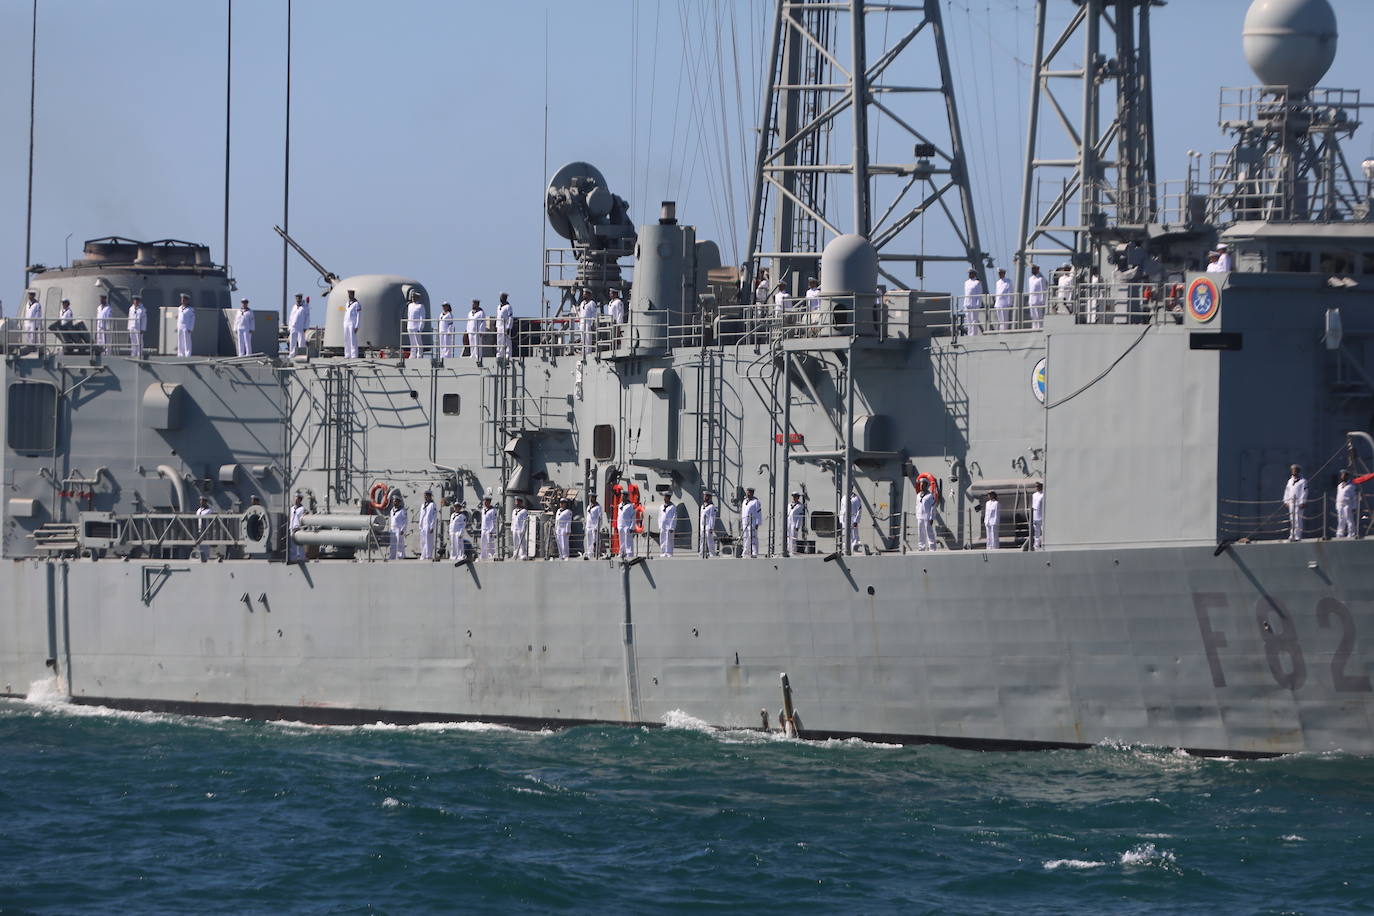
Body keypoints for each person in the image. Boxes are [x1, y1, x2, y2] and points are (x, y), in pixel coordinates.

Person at [1284, 465, 1307, 542]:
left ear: (1298, 471)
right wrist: (1286, 501)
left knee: (1298, 519)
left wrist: (1303, 502)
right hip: (1291, 503)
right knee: (1292, 520)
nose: (1294, 471)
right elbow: (1287, 491)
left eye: (1295, 470)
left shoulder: (1303, 481)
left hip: (1298, 503)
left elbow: (1304, 492)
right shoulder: (1290, 481)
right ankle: (1292, 535)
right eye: (1293, 470)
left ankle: (1298, 536)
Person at [916, 477, 936, 552]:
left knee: (929, 534)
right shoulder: (918, 495)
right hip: (920, 518)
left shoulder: (930, 496)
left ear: (926, 485)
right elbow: (917, 506)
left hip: (927, 518)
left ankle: (932, 548)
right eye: (920, 484)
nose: (921, 485)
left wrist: (931, 518)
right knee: (921, 534)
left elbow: (933, 507)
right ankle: (921, 548)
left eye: (923, 484)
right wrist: (917, 515)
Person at [961, 269, 983, 336]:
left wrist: (978, 305)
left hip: (974, 304)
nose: (969, 275)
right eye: (969, 273)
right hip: (967, 304)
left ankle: (974, 334)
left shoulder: (977, 282)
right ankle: (969, 333)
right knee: (968, 321)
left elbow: (979, 295)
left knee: (974, 321)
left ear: (974, 274)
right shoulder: (966, 282)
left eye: (971, 273)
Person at [1336, 470, 1357, 539]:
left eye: (1344, 475)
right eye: (1341, 475)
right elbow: (1338, 496)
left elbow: (1354, 497)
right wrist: (1337, 505)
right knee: (1341, 519)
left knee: (1349, 519)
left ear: (1347, 476)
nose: (1342, 476)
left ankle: (1351, 533)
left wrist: (1354, 507)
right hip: (1340, 504)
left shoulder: (1351, 486)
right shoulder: (1339, 486)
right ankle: (1340, 533)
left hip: (1348, 504)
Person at [741, 487, 762, 558]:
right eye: (747, 492)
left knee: (753, 537)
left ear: (752, 493)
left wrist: (757, 523)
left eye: (750, 492)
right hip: (745, 522)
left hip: (752, 522)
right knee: (745, 537)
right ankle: (746, 552)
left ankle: (755, 552)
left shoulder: (756, 502)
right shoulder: (744, 501)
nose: (748, 493)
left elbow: (758, 513)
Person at [578, 290, 599, 359]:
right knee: (582, 338)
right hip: (582, 322)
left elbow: (594, 313)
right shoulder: (582, 303)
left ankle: (588, 353)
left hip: (588, 322)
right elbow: (581, 313)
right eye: (583, 294)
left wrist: (593, 323)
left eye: (585, 294)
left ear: (589, 295)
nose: (584, 295)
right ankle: (583, 352)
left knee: (588, 339)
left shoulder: (592, 303)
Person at [418, 490, 438, 560]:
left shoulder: (433, 505)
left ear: (430, 496)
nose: (426, 497)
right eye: (425, 495)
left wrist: (432, 526)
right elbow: (421, 515)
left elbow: (434, 516)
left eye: (427, 495)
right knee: (422, 540)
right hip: (423, 525)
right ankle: (423, 555)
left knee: (428, 540)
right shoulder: (423, 505)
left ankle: (428, 555)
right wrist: (420, 525)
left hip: (428, 525)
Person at [466, 300, 486, 367]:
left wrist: (481, 331)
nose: (472, 305)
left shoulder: (481, 312)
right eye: (472, 303)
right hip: (471, 331)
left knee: (477, 344)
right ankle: (472, 355)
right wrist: (467, 330)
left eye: (474, 304)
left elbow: (483, 322)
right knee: (471, 344)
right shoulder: (470, 313)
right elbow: (468, 322)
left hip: (477, 331)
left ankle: (478, 355)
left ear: (477, 304)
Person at [1027, 264, 1047, 330]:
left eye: (1034, 269)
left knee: (1039, 316)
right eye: (1032, 269)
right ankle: (1034, 327)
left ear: (1038, 269)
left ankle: (1039, 327)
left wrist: (1042, 301)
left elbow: (1042, 290)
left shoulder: (1041, 279)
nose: (1033, 270)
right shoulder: (1030, 279)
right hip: (1031, 300)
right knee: (1033, 315)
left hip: (1038, 301)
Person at [388, 493, 408, 560]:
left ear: (399, 502)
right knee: (392, 544)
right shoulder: (391, 510)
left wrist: (403, 529)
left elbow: (405, 521)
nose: (394, 502)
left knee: (400, 544)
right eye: (394, 501)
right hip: (393, 530)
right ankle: (392, 556)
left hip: (399, 530)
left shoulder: (402, 511)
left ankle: (400, 556)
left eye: (396, 501)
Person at [343, 289, 362, 358]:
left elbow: (358, 315)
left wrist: (357, 325)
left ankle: (354, 354)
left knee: (353, 339)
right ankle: (347, 354)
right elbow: (346, 313)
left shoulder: (356, 304)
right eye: (348, 294)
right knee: (346, 339)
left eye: (350, 294)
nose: (349, 296)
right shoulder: (347, 303)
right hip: (346, 323)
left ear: (353, 295)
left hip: (352, 323)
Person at [195, 496, 215, 561]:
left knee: (205, 545)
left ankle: (206, 557)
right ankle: (199, 556)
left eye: (202, 501)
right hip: (199, 529)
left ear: (205, 502)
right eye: (200, 501)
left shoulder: (209, 511)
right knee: (199, 545)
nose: (201, 502)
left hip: (206, 530)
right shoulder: (199, 510)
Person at [288, 494, 306, 562]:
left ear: (300, 500)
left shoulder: (302, 509)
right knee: (292, 545)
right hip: (292, 528)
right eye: (295, 498)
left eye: (297, 498)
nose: (295, 500)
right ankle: (293, 558)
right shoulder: (291, 509)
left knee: (300, 544)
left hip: (298, 528)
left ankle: (302, 557)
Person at [658, 493, 677, 558]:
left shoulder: (672, 507)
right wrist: (660, 526)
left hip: (669, 527)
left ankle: (669, 553)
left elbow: (674, 517)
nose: (664, 499)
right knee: (662, 539)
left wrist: (672, 527)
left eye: (666, 497)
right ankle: (663, 552)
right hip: (663, 526)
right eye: (664, 497)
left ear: (669, 498)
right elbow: (659, 517)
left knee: (669, 540)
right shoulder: (661, 507)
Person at [496, 293, 514, 359]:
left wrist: (509, 327)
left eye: (502, 297)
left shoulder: (508, 307)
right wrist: (496, 325)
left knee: (507, 341)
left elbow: (510, 317)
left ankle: (508, 354)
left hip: (505, 326)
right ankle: (500, 354)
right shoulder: (498, 306)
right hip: (499, 326)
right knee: (499, 341)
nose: (500, 298)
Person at [787, 491, 805, 556]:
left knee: (793, 537)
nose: (794, 498)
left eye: (796, 497)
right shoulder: (789, 505)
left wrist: (797, 526)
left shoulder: (800, 506)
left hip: (794, 523)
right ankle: (788, 550)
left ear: (798, 497)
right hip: (788, 522)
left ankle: (793, 551)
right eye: (794, 497)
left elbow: (800, 517)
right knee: (788, 537)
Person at [1031, 481, 1045, 550]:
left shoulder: (1043, 494)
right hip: (1035, 515)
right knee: (1036, 530)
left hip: (1041, 515)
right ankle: (1036, 544)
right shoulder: (1034, 495)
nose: (1037, 487)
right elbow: (1033, 506)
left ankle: (1043, 543)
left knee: (1042, 529)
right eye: (1036, 486)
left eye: (1038, 486)